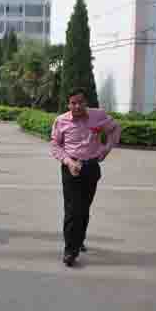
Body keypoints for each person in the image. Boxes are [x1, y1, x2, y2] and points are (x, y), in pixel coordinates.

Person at [51, 87, 121, 267]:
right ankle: (70, 250)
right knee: (72, 210)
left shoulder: (98, 116)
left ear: (86, 103)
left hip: (91, 167)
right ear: (68, 104)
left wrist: (106, 149)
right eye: (73, 103)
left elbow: (115, 129)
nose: (77, 106)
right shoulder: (61, 121)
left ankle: (79, 239)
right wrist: (68, 161)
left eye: (80, 102)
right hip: (71, 167)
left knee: (83, 208)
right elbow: (55, 145)